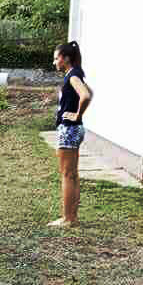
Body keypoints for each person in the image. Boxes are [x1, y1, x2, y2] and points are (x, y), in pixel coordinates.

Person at [50, 40, 92, 228]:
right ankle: (72, 217)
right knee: (72, 175)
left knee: (67, 174)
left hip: (69, 129)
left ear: (65, 58)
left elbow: (86, 95)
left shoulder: (72, 76)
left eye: (56, 58)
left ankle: (67, 219)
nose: (54, 62)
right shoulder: (75, 74)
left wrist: (76, 114)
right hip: (75, 130)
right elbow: (89, 91)